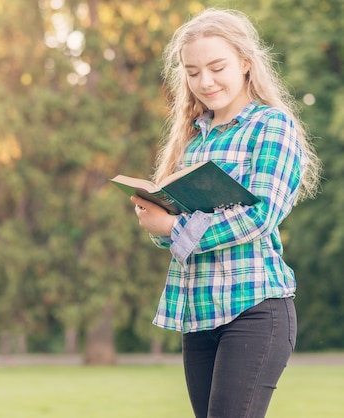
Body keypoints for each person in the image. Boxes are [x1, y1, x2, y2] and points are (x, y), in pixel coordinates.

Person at [130, 8, 321, 418]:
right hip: (198, 313)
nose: (206, 81)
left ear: (246, 64)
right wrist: (157, 222)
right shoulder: (193, 139)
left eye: (217, 67)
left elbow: (260, 216)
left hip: (254, 308)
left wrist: (174, 226)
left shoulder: (272, 127)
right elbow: (176, 232)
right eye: (193, 72)